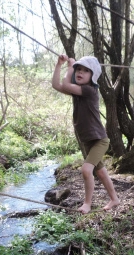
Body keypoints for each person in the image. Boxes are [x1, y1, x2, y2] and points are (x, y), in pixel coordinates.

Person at [52, 54, 120, 214]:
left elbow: (66, 84)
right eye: (78, 70)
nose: (79, 72)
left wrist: (71, 66)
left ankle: (87, 204)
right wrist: (59, 65)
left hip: (99, 140)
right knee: (101, 171)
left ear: (93, 76)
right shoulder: (78, 92)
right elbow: (57, 85)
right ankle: (114, 199)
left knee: (86, 170)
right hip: (88, 140)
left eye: (85, 70)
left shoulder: (89, 91)